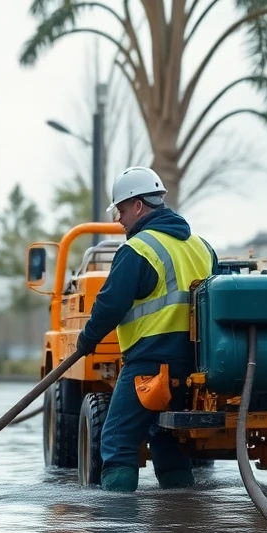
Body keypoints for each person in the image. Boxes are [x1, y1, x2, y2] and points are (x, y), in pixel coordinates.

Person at [76, 168, 218, 492]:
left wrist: (87, 341)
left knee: (117, 439)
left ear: (138, 206)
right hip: (198, 367)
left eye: (121, 211)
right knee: (166, 435)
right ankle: (182, 517)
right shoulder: (203, 247)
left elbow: (110, 305)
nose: (119, 221)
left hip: (150, 363)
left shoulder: (137, 250)